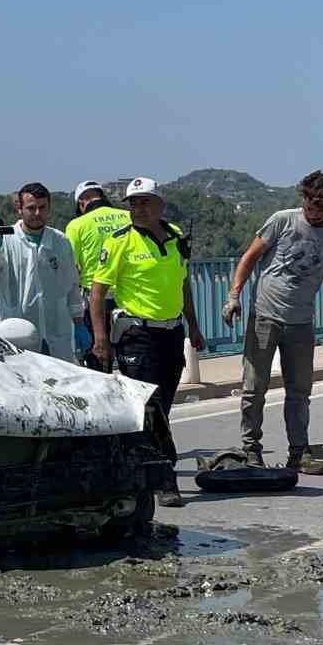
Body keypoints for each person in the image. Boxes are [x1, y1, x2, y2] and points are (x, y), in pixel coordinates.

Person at [222, 170, 323, 475]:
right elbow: (249, 258)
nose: (315, 212)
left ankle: (299, 452)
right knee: (254, 387)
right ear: (304, 200)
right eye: (310, 205)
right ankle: (251, 449)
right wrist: (233, 295)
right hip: (265, 315)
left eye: (322, 207)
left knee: (299, 392)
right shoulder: (282, 220)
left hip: (301, 322)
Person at [88, 176, 205, 507]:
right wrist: (101, 341)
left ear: (159, 205)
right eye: (133, 203)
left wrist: (194, 326)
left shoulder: (176, 238)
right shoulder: (119, 242)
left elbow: (183, 285)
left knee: (163, 406)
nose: (138, 208)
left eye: (144, 202)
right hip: (137, 334)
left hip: (171, 333)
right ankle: (165, 478)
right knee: (150, 408)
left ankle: (135, 468)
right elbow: (97, 293)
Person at [0, 182, 84, 361]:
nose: (38, 213)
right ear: (19, 209)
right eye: (31, 208)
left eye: (42, 207)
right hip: (11, 335)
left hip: (55, 335)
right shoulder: (3, 239)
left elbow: (71, 286)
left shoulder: (60, 242)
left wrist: (79, 324)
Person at [65, 181, 132, 361]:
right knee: (133, 359)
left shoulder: (76, 225)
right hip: (131, 299)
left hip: (95, 300)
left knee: (99, 359)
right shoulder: (129, 216)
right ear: (103, 196)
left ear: (81, 203)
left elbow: (71, 265)